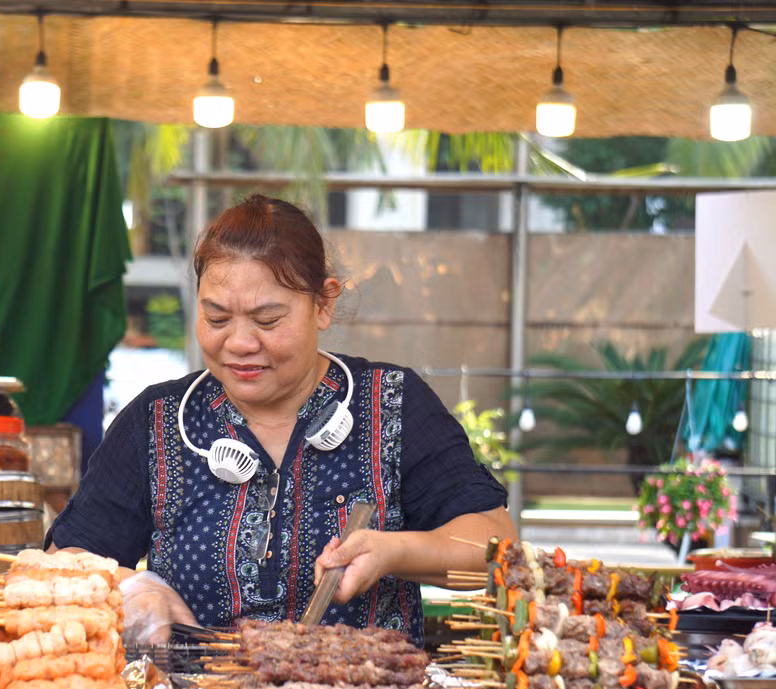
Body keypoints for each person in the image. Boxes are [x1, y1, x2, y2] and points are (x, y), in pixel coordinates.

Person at [48, 194, 515, 645]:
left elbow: (495, 549)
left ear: (324, 303)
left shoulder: (391, 403)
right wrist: (133, 587)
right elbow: (64, 562)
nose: (240, 343)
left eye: (267, 320)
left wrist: (394, 552)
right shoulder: (158, 421)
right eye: (216, 318)